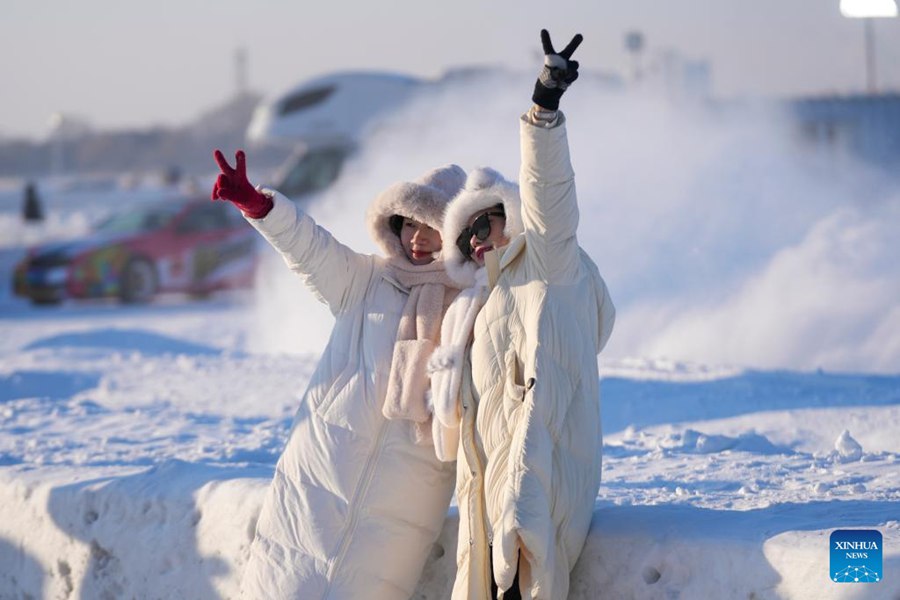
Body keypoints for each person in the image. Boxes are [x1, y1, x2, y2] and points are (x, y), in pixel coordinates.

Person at [210, 149, 465, 599]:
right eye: (410, 223)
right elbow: (309, 249)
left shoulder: (472, 308)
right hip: (318, 484)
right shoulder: (365, 280)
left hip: (403, 505)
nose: (418, 239)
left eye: (432, 228)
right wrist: (260, 206)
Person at [428, 30, 616, 599]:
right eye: (465, 240)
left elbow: (549, 192)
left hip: (541, 487)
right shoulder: (481, 308)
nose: (478, 242)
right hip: (494, 500)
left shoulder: (549, 261)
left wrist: (544, 111)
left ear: (508, 214)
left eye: (484, 225)